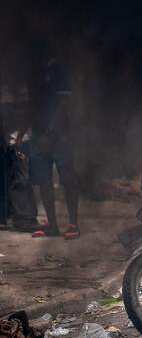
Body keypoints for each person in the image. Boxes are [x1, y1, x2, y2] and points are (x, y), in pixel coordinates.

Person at [20, 54, 80, 239]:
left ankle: (73, 224)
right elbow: (31, 106)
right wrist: (23, 133)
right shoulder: (34, 72)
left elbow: (63, 104)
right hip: (38, 135)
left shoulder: (58, 68)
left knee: (67, 177)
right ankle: (52, 225)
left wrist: (50, 132)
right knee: (43, 179)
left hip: (59, 135)